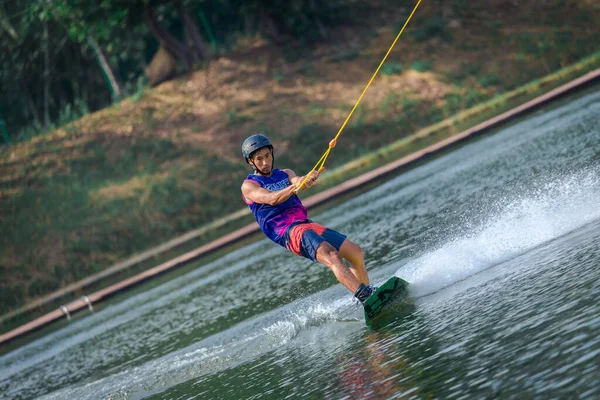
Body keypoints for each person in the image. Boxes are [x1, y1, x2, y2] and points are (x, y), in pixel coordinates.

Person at [240, 133, 376, 304]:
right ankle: (366, 297)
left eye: (267, 156)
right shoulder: (249, 185)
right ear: (250, 162)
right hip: (287, 231)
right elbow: (271, 198)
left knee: (355, 253)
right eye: (259, 159)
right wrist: (294, 187)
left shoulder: (285, 173)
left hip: (305, 224)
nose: (265, 163)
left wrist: (307, 179)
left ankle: (370, 300)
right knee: (332, 255)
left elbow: (297, 180)